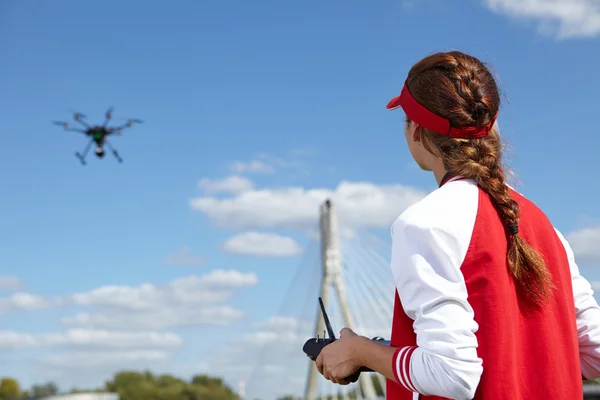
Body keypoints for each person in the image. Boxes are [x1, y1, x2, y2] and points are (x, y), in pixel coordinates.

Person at [315, 50, 600, 399]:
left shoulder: (425, 223)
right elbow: (594, 354)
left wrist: (360, 352)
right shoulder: (544, 227)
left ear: (415, 131)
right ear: (490, 126)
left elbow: (453, 375)